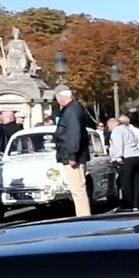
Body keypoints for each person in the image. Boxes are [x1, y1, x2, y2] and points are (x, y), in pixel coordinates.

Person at [52, 86, 92, 216]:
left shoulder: (71, 111)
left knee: (77, 189)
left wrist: (72, 156)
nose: (57, 101)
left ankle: (83, 217)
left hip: (73, 156)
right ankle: (83, 215)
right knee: (77, 189)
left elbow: (74, 134)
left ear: (61, 96)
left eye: (57, 98)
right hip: (73, 154)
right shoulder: (73, 109)